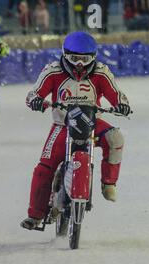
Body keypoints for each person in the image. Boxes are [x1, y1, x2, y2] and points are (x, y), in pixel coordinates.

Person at [20, 32, 131, 230]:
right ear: (65, 55)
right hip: (62, 125)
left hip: (92, 122)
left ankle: (108, 183)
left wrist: (122, 105)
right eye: (74, 59)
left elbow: (117, 95)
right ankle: (35, 215)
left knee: (116, 137)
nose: (79, 65)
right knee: (44, 168)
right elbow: (33, 94)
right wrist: (36, 101)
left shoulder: (101, 72)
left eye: (85, 59)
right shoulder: (52, 71)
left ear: (93, 58)